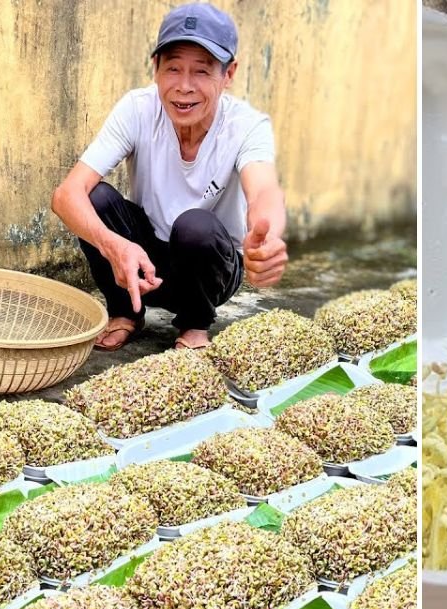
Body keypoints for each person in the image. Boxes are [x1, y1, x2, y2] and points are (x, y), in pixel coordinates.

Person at [51, 2, 288, 351]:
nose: (184, 86)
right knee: (96, 200)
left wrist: (265, 240)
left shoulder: (246, 126)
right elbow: (66, 195)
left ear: (229, 74)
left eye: (202, 72)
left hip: (209, 268)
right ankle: (125, 311)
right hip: (142, 267)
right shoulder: (138, 108)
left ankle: (195, 324)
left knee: (195, 225)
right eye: (173, 68)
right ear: (156, 68)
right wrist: (114, 245)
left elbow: (264, 190)